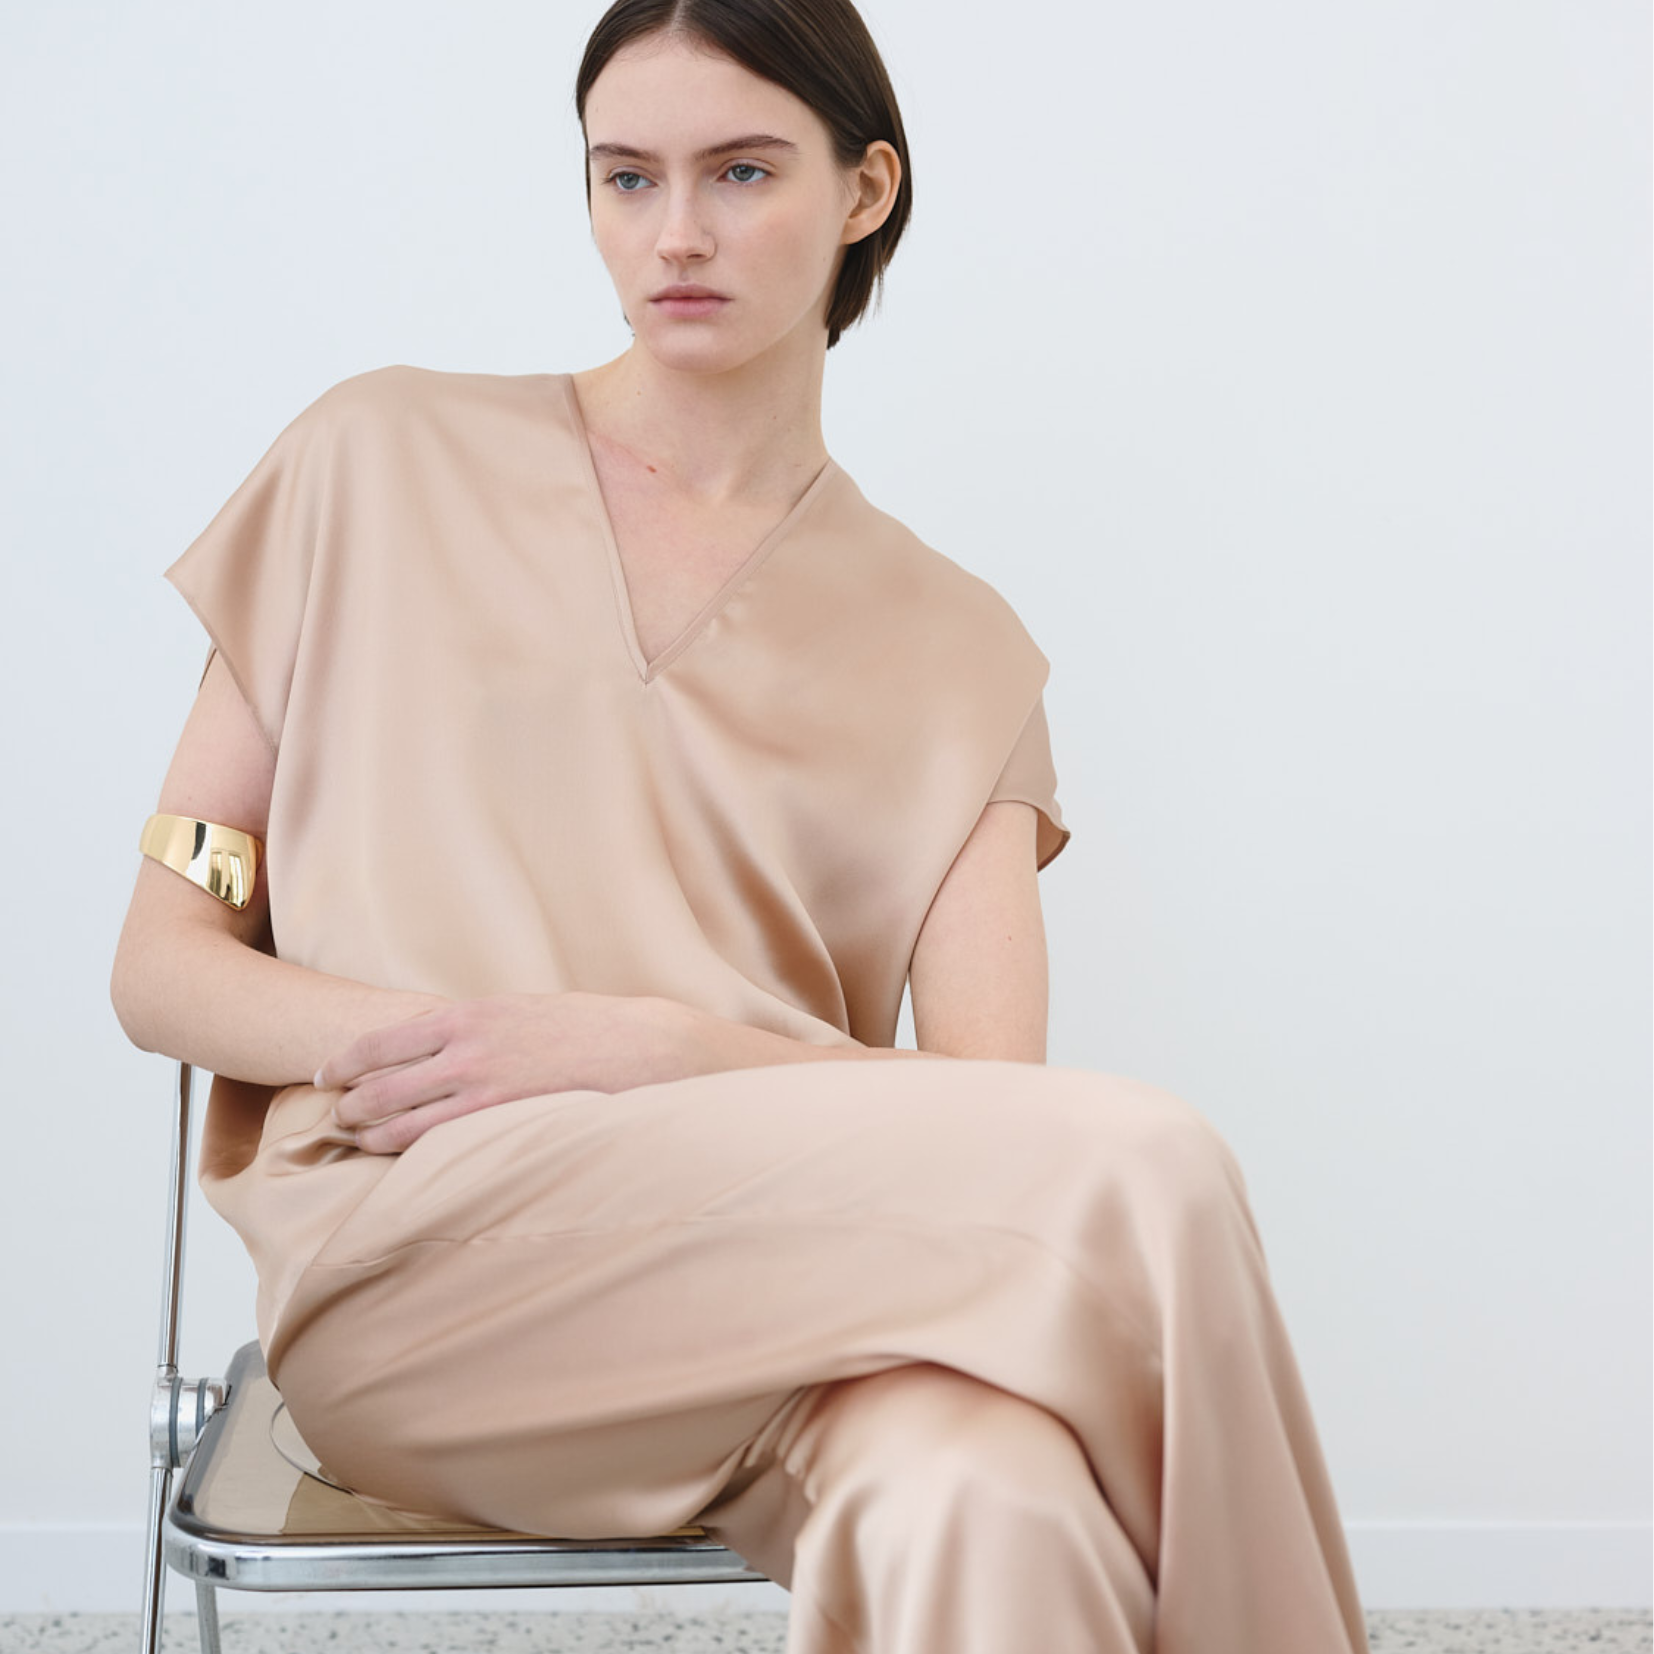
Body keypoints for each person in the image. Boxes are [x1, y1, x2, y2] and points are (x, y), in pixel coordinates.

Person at [111, 1, 1373, 1649]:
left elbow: (984, 1131)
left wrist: (660, 1051)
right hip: (434, 1266)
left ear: (864, 191)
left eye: (741, 171)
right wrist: (484, 1043)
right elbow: (163, 963)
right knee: (1149, 1167)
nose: (675, 233)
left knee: (988, 1488)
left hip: (799, 1307)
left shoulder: (957, 649)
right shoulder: (373, 463)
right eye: (625, 178)